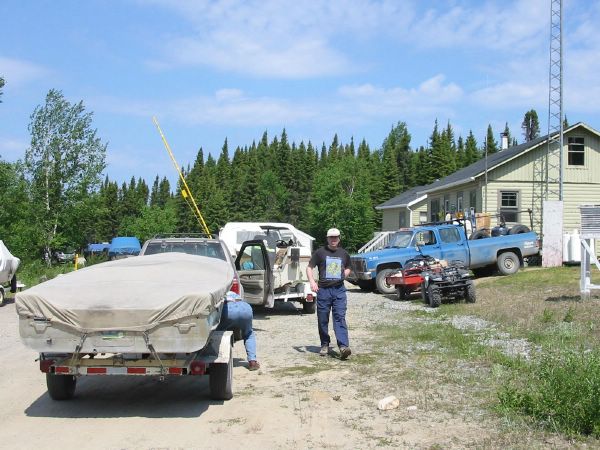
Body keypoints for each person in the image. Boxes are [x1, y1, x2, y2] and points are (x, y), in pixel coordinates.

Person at [306, 228, 352, 359]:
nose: (333, 239)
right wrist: (312, 282)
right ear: (327, 238)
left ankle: (343, 347)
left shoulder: (344, 253)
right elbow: (309, 267)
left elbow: (349, 267)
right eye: (331, 237)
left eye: (336, 237)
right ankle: (324, 344)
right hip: (324, 291)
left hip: (339, 290)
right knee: (322, 319)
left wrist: (344, 275)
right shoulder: (320, 253)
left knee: (339, 317)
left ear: (339, 238)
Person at [217, 291, 260, 371]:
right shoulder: (232, 292)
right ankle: (252, 362)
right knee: (249, 334)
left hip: (228, 309)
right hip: (245, 307)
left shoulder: (218, 292)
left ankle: (217, 358)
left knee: (218, 334)